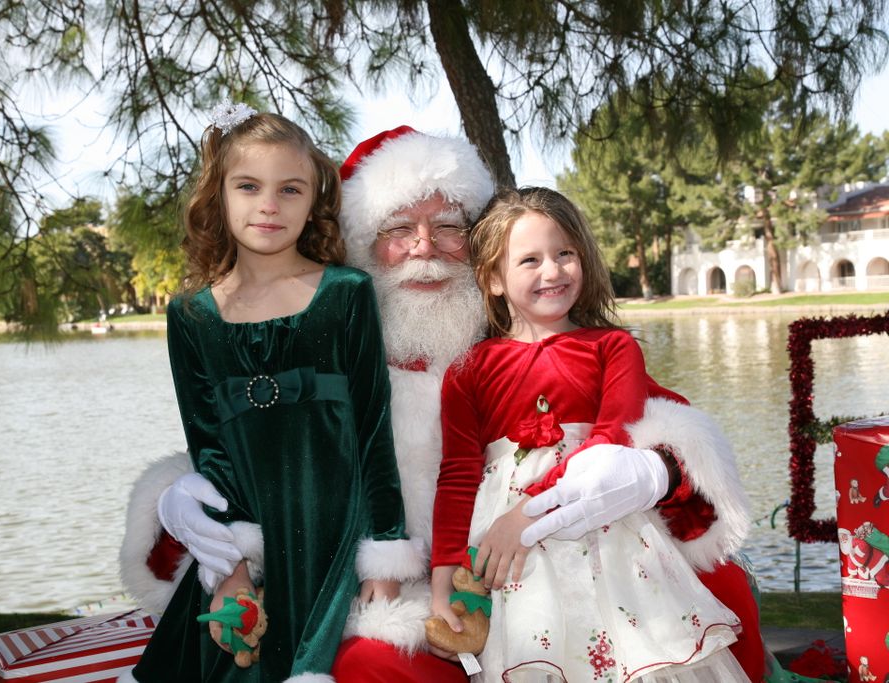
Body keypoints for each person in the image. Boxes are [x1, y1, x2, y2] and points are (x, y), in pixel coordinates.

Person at [119, 126, 766, 682]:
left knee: (722, 590)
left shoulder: (524, 340)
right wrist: (185, 498)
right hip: (403, 601)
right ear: (359, 246)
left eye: (447, 226)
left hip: (554, 571)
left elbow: (660, 429)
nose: (424, 247)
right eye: (398, 229)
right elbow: (241, 449)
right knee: (368, 660)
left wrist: (652, 469)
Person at [127, 106, 411, 683]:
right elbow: (207, 448)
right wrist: (228, 564)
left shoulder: (346, 293)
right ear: (218, 196)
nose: (269, 204)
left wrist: (384, 547)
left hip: (334, 531)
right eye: (249, 186)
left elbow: (374, 428)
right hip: (250, 529)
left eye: (290, 189)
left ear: (314, 202)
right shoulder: (190, 315)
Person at [431, 187, 748, 681]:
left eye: (565, 254)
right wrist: (442, 579)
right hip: (510, 558)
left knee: (634, 650)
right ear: (492, 278)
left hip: (606, 529)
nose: (553, 271)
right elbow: (456, 475)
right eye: (530, 260)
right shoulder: (467, 370)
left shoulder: (613, 348)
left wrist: (526, 513)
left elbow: (610, 441)